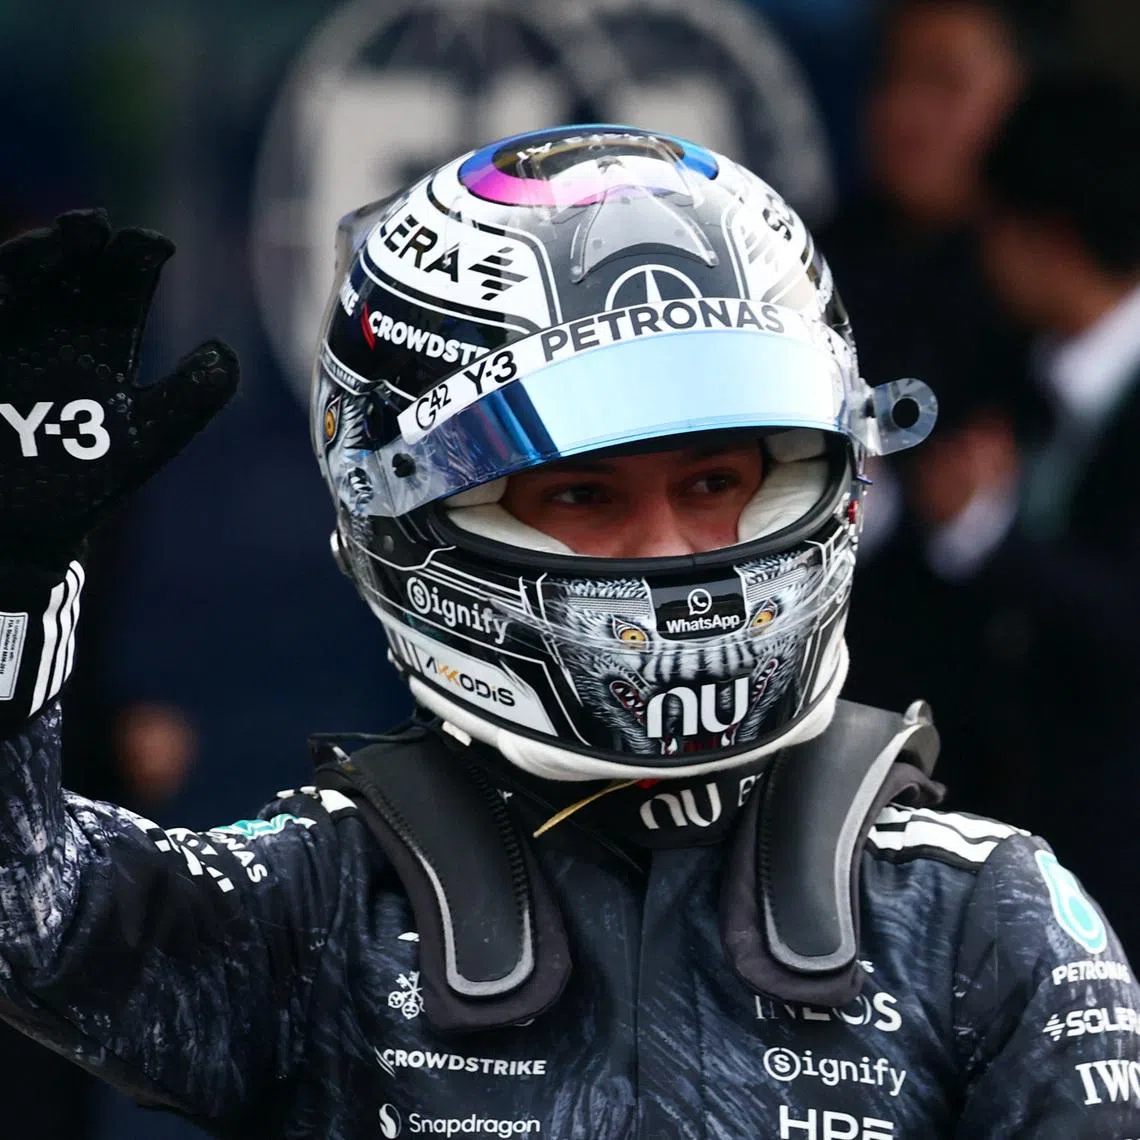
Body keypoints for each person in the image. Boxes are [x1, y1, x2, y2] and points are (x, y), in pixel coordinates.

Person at [0, 127, 1135, 1140]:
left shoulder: (986, 916)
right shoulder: (330, 901)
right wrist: (9, 585)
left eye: (716, 481)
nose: (668, 550)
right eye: (585, 497)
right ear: (413, 522)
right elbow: (29, 920)